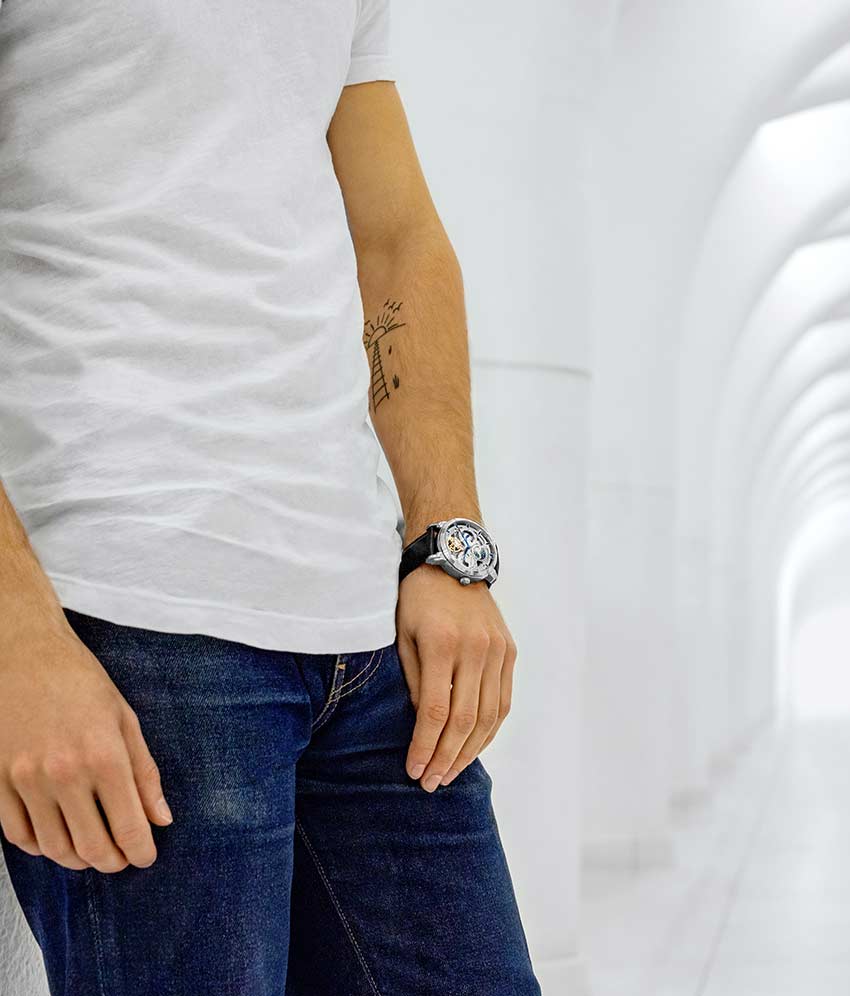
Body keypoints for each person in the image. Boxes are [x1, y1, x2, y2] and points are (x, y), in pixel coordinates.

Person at [0, 2, 541, 994]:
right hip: (132, 615)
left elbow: (397, 240)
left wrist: (449, 543)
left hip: (364, 628)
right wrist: (13, 638)